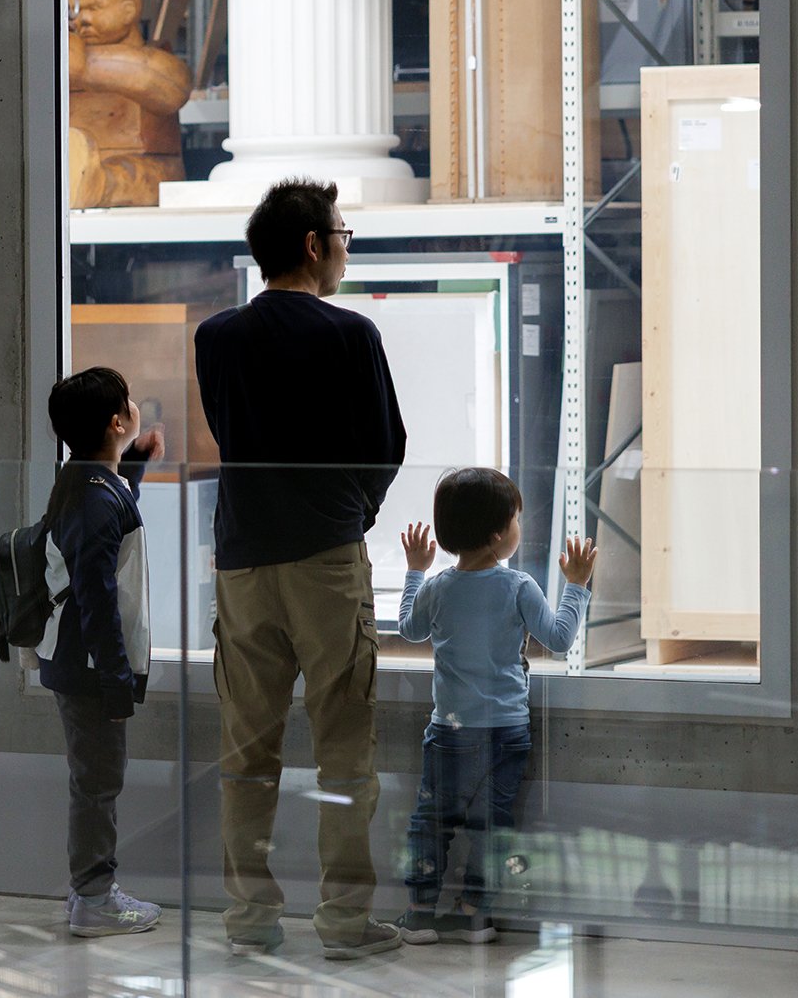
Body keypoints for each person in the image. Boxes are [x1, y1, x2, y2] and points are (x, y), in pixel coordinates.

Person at [193, 178, 408, 960]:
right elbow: (385, 448)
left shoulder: (216, 338)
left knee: (245, 750)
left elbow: (226, 433)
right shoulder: (351, 336)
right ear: (314, 247)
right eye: (345, 236)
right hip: (325, 563)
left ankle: (250, 917)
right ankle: (345, 921)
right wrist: (353, 514)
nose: (347, 249)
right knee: (344, 742)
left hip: (243, 565)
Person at [393, 468, 596, 944]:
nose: (519, 528)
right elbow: (560, 639)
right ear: (498, 535)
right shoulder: (517, 586)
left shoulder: (438, 588)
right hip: (506, 731)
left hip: (450, 731)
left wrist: (414, 571)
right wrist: (577, 585)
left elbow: (408, 628)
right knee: (492, 825)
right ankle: (472, 914)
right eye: (517, 520)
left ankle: (420, 912)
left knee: (432, 820)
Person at [36, 366, 167, 937]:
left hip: (77, 662)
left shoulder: (84, 478)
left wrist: (132, 464)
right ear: (117, 421)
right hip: (89, 668)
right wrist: (117, 681)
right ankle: (94, 897)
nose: (136, 407)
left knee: (92, 778)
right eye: (129, 403)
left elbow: (106, 521)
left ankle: (89, 889)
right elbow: (96, 592)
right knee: (99, 781)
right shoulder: (96, 498)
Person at [66, 0, 191, 208]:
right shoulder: (69, 54)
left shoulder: (152, 58)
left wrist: (86, 66)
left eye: (94, 8)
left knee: (126, 176)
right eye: (75, 10)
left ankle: (92, 183)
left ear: (128, 11)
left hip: (146, 165)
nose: (82, 19)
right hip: (74, 161)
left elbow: (172, 88)